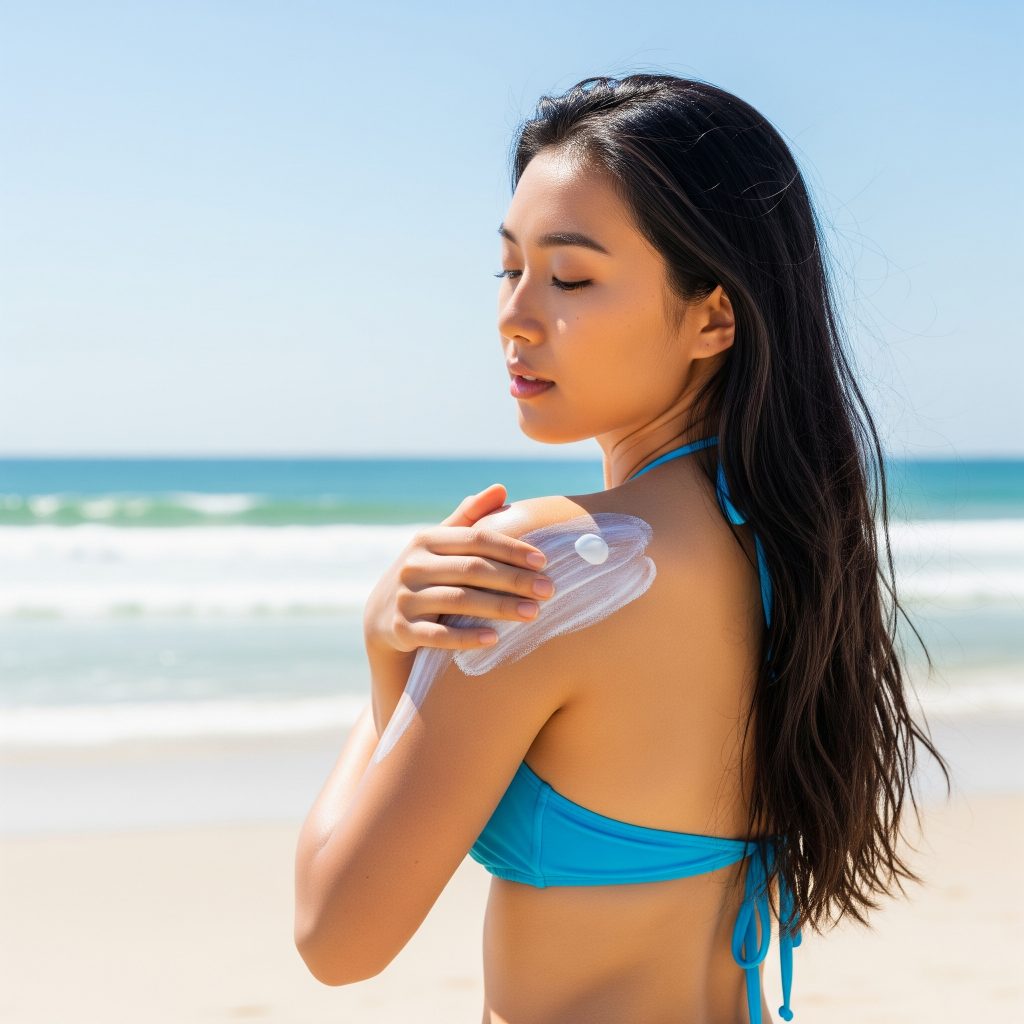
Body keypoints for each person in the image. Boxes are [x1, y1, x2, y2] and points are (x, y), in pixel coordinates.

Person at [294, 73, 951, 1023]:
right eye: (508, 267)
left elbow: (336, 936)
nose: (515, 315)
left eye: (570, 277)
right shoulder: (791, 555)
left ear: (712, 317)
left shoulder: (555, 567)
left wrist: (386, 651)